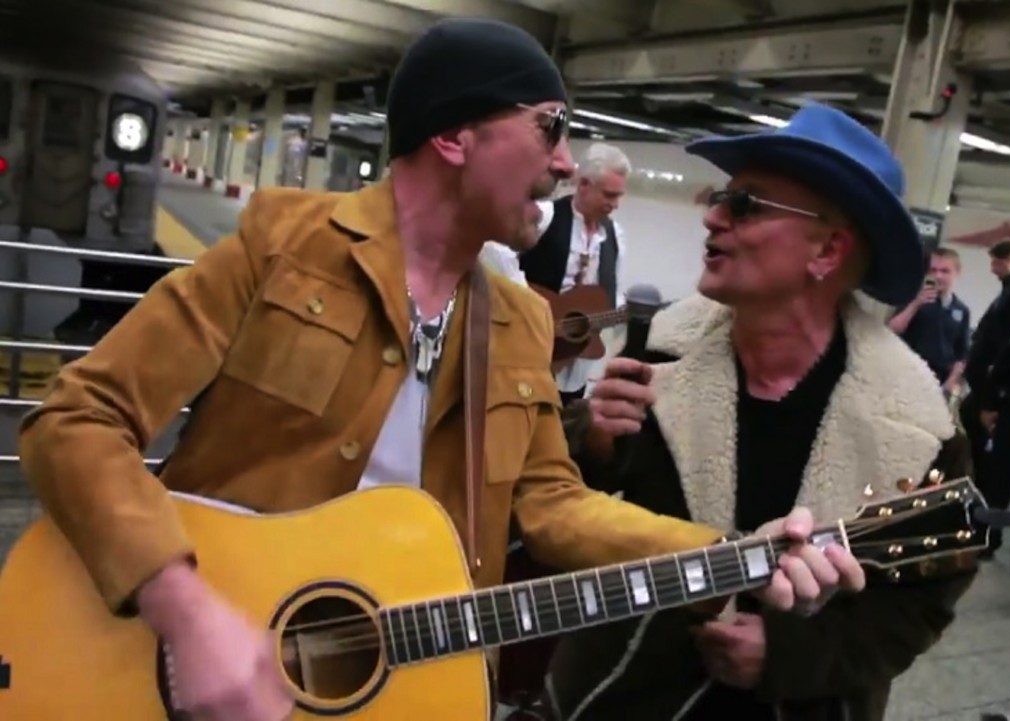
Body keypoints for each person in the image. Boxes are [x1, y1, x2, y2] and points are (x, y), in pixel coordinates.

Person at [17, 22, 863, 721]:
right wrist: (187, 614)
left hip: (393, 685)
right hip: (173, 673)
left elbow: (553, 505)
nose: (565, 163)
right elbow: (76, 418)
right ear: (457, 135)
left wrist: (731, 552)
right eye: (550, 127)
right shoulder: (281, 248)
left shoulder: (517, 318)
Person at [546, 103, 977, 721]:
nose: (713, 216)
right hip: (626, 694)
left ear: (827, 250)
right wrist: (594, 444)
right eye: (722, 197)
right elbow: (560, 507)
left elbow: (920, 603)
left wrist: (790, 656)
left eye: (745, 203)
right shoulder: (656, 350)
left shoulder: (919, 428)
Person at [519, 143, 630, 404]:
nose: (614, 205)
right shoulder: (544, 218)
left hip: (578, 364)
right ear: (583, 184)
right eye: (608, 195)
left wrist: (620, 312)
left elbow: (611, 294)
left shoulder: (616, 236)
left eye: (618, 196)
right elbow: (498, 273)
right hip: (529, 354)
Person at [964, 239, 1010, 572]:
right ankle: (991, 540)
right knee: (997, 477)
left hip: (1008, 403)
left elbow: (1004, 351)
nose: (992, 266)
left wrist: (990, 399)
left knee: (998, 477)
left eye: (996, 259)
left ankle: (990, 540)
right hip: (1005, 399)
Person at [888, 246, 971, 397]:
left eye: (945, 271)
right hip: (906, 376)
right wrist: (916, 304)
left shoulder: (962, 310)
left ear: (957, 273)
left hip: (940, 382)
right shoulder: (911, 298)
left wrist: (949, 384)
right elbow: (892, 330)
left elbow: (962, 354)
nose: (938, 276)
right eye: (933, 270)